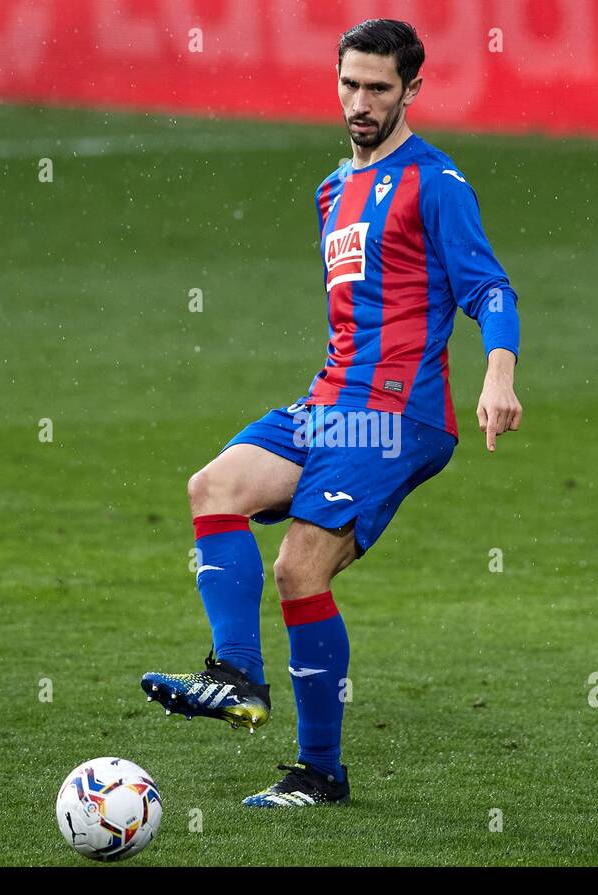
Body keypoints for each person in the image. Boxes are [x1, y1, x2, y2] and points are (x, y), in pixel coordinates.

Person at [142, 18, 522, 807]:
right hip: (329, 402)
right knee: (213, 487)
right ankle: (238, 676)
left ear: (412, 90)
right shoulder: (331, 191)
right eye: (349, 83)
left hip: (396, 414)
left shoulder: (436, 184)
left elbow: (490, 288)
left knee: (297, 567)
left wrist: (497, 374)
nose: (359, 101)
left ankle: (320, 774)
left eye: (378, 87)